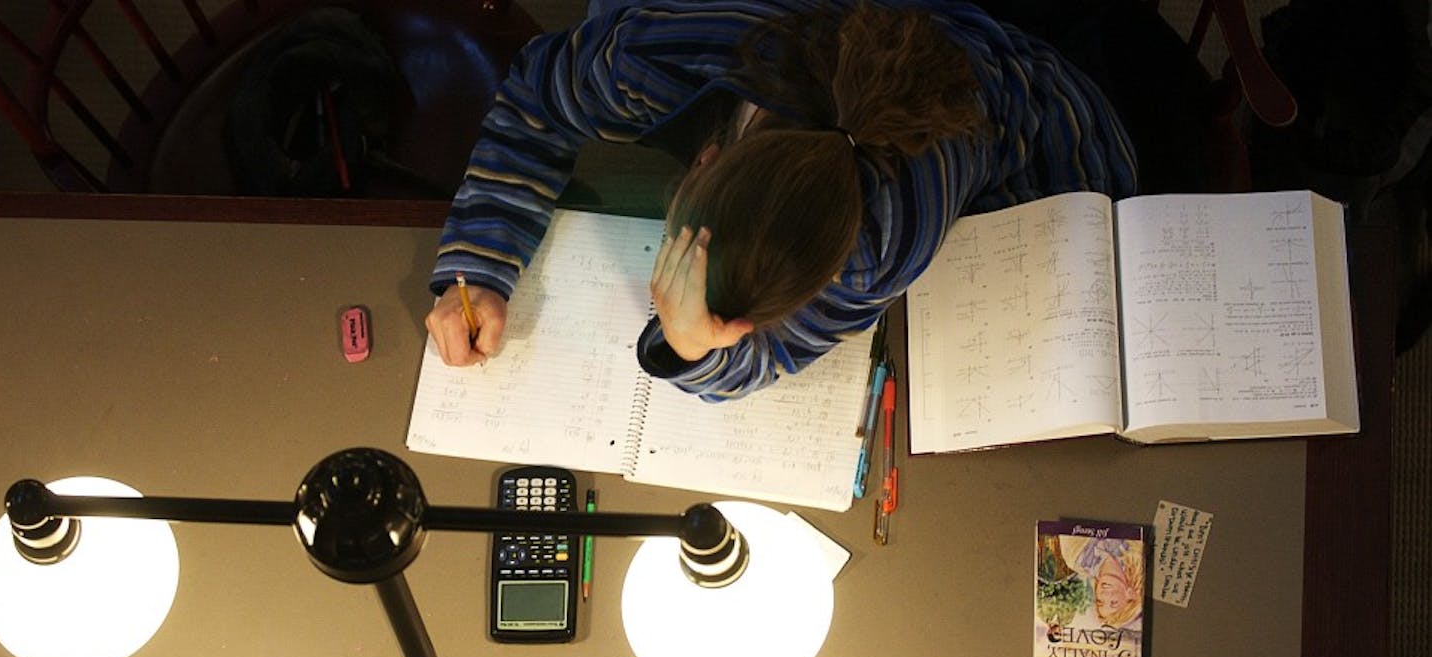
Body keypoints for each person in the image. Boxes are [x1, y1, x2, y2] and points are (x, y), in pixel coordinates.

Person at [423, 0, 1138, 402]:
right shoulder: (643, 61)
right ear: (703, 159)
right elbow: (535, 104)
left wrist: (691, 346)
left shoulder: (890, 224)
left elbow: (772, 354)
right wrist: (482, 265)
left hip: (1015, 111)